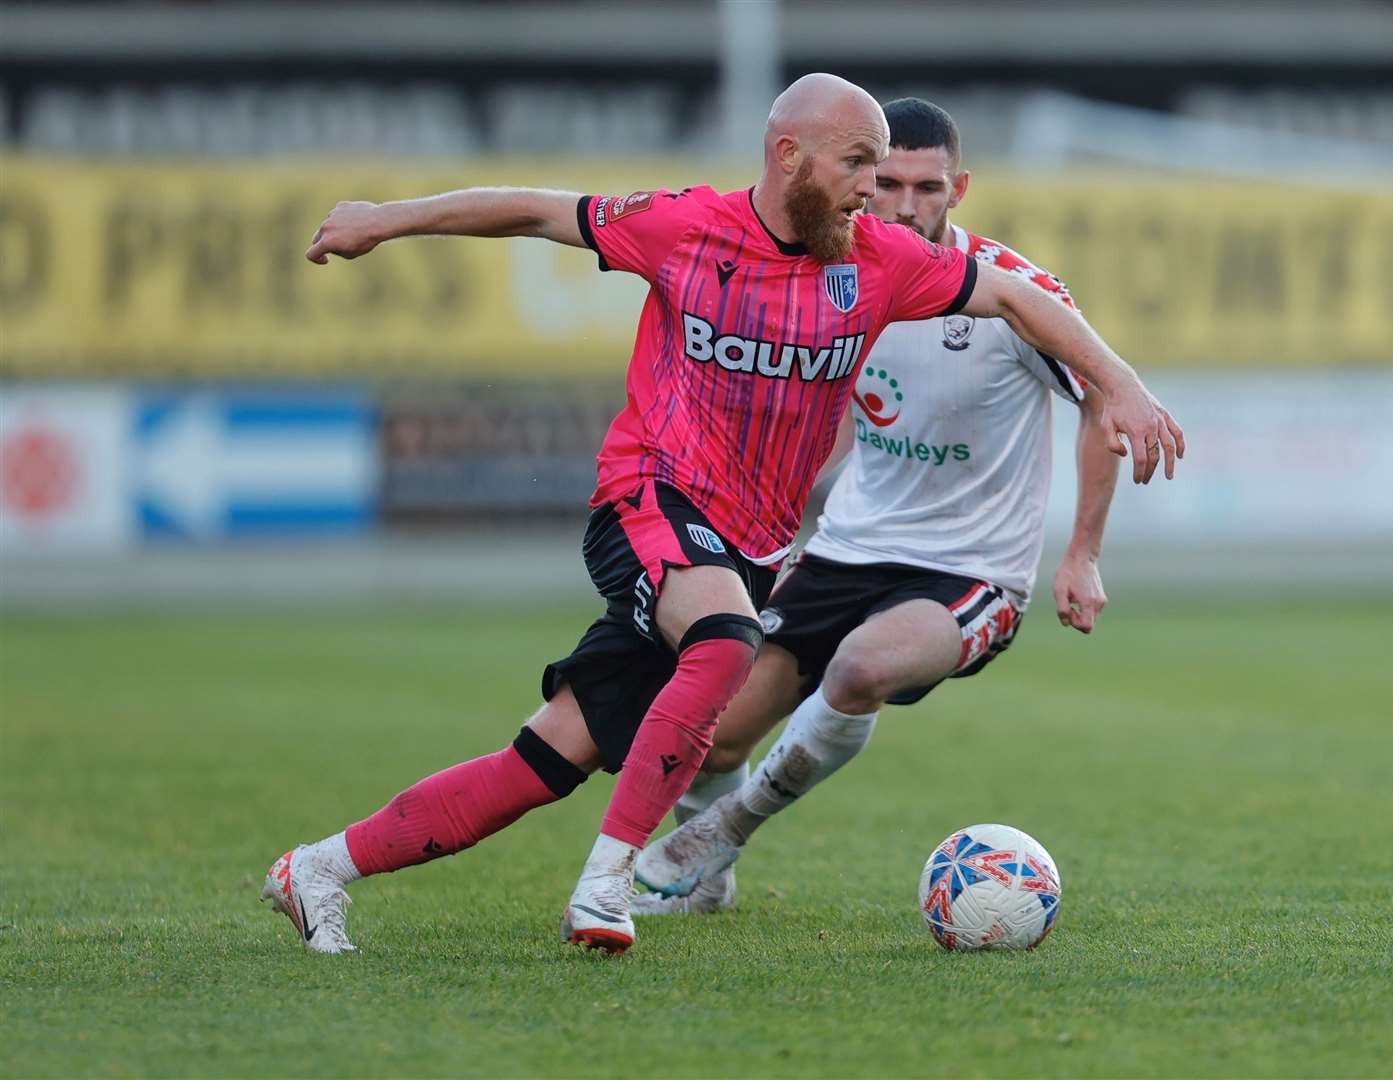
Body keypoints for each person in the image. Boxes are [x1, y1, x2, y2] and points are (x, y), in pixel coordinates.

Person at [262, 74, 1183, 956]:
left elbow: (1019, 297)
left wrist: (1125, 383)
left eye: (896, 173)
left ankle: (317, 868)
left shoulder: (879, 263)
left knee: (548, 761)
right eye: (862, 166)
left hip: (751, 545)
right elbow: (541, 208)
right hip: (649, 496)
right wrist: (387, 219)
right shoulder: (685, 227)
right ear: (790, 158)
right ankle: (613, 881)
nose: (878, 192)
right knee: (727, 641)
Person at [631, 97, 1121, 913]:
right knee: (715, 727)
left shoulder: (1011, 293)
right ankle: (706, 884)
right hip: (847, 547)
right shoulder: (833, 277)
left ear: (958, 189)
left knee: (862, 668)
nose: (903, 205)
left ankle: (726, 830)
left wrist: (1084, 552)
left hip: (971, 569)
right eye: (886, 182)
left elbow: (1103, 401)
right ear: (859, 179)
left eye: (927, 187)